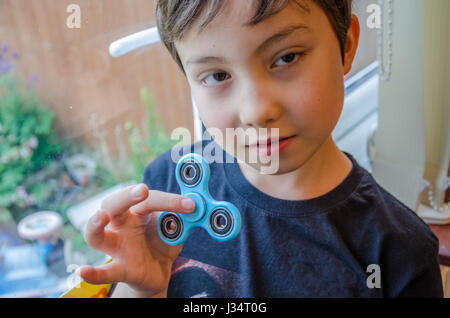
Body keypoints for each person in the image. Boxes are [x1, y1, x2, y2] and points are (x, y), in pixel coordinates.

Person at [79, 0, 444, 297]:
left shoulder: (399, 253)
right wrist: (141, 290)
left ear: (345, 46)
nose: (256, 111)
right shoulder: (166, 190)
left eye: (286, 58)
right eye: (218, 76)